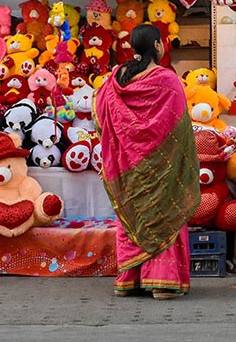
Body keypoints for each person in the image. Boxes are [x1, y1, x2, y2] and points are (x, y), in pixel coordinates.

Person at [94, 24, 201, 300]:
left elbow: (103, 121)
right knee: (165, 213)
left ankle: (130, 281)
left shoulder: (115, 79)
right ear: (157, 46)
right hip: (160, 167)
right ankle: (162, 283)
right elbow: (179, 127)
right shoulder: (167, 80)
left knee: (135, 216)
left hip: (126, 167)